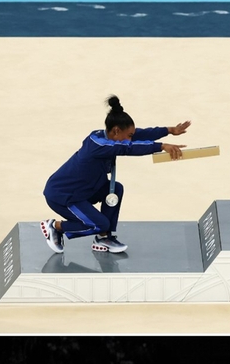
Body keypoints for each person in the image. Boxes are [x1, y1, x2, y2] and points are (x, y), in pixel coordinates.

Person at [41, 95, 190, 254]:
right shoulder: (98, 144)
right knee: (99, 224)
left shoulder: (109, 136)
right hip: (63, 195)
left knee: (115, 189)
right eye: (129, 135)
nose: (131, 138)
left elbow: (139, 135)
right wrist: (161, 146)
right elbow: (128, 148)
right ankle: (55, 227)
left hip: (85, 189)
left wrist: (169, 130)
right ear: (116, 131)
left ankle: (103, 238)